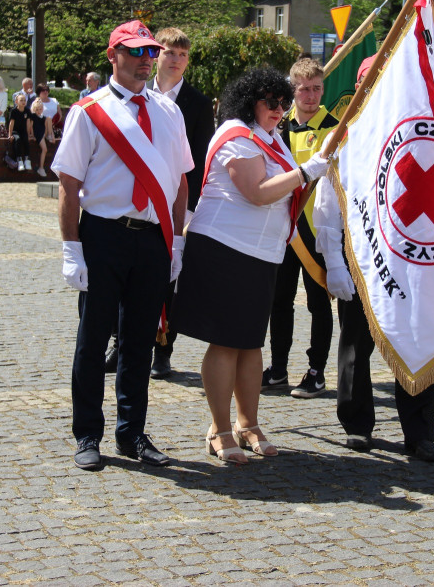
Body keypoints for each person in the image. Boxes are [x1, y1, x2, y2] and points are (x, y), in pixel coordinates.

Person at [52, 20, 192, 472]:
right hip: (103, 235)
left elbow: (179, 184)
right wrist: (72, 248)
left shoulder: (169, 112)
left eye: (150, 53)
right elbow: (69, 186)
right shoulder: (89, 111)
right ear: (113, 56)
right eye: (134, 53)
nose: (144, 61)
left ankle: (132, 433)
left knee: (139, 344)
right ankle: (87, 433)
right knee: (93, 341)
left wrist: (177, 241)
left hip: (152, 239)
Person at [173, 67, 330, 464]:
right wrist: (305, 172)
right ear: (249, 103)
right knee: (226, 343)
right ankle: (219, 428)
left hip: (261, 253)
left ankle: (249, 423)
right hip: (224, 249)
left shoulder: (272, 138)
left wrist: (303, 174)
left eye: (283, 102)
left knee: (251, 344)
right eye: (269, 103)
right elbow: (258, 193)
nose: (279, 110)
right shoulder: (235, 137)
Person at [315, 56, 434, 462]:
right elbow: (327, 207)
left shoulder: (421, 133)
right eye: (370, 81)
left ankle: (420, 432)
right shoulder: (342, 137)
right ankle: (356, 424)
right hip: (361, 259)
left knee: (418, 343)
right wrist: (334, 261)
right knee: (356, 344)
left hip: (413, 260)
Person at [263, 58, 339, 399]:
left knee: (318, 302)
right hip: (282, 227)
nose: (310, 96)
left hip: (316, 230)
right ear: (292, 90)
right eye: (303, 89)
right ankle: (278, 368)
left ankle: (316, 371)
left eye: (316, 89)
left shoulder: (335, 128)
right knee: (278, 301)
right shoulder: (276, 128)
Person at [145, 27, 215, 378]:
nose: (175, 60)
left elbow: (200, 161)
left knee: (170, 279)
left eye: (182, 55)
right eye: (170, 53)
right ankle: (122, 342)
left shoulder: (199, 105)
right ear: (157, 55)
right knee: (133, 273)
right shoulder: (136, 93)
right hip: (138, 201)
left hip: (176, 204)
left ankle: (163, 349)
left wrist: (188, 211)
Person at [29, 98, 54, 177]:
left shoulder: (43, 117)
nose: (39, 111)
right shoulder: (33, 116)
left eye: (40, 109)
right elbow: (31, 126)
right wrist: (32, 135)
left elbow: (46, 126)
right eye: (37, 109)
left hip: (42, 133)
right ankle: (41, 167)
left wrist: (50, 134)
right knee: (44, 149)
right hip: (38, 134)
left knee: (49, 119)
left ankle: (49, 136)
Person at [8, 92, 32, 172]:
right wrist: (10, 134)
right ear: (16, 102)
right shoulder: (14, 111)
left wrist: (28, 134)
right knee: (17, 140)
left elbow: (28, 123)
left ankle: (27, 160)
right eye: (21, 100)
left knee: (25, 140)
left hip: (23, 131)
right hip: (15, 131)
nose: (23, 102)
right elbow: (11, 123)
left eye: (24, 100)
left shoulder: (27, 111)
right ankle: (19, 160)